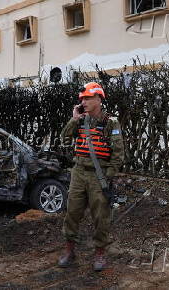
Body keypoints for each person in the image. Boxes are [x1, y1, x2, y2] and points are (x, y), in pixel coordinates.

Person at [58, 82, 124, 271]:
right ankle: (69, 251)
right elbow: (64, 140)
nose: (83, 102)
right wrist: (74, 119)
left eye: (87, 98)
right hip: (79, 172)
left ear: (99, 99)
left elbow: (118, 154)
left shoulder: (111, 122)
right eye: (82, 99)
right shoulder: (80, 120)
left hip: (99, 175)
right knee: (72, 213)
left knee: (100, 216)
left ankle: (100, 254)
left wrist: (107, 176)